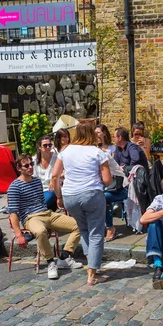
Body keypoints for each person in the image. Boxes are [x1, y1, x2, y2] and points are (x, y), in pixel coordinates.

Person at [52, 122, 113, 285]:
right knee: (96, 233)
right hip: (91, 194)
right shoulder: (97, 152)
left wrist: (59, 197)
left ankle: (92, 265)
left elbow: (54, 176)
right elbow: (107, 180)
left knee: (84, 230)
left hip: (70, 196)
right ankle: (92, 274)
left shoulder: (65, 151)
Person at [8, 154, 83, 280]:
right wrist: (19, 235)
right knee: (40, 231)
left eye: (31, 164)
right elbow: (13, 213)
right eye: (26, 165)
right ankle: (50, 262)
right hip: (31, 217)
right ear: (19, 168)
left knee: (80, 224)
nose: (30, 167)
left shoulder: (37, 181)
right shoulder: (14, 187)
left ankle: (64, 256)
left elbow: (43, 203)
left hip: (47, 213)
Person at [33, 135, 58, 212]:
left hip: (52, 189)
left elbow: (65, 171)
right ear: (39, 147)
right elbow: (32, 177)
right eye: (45, 145)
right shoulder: (34, 160)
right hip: (39, 190)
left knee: (40, 206)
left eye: (50, 145)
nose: (48, 147)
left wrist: (54, 179)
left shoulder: (57, 158)